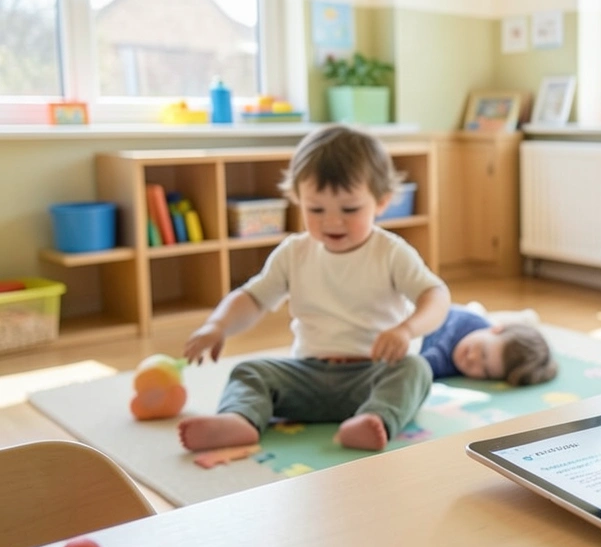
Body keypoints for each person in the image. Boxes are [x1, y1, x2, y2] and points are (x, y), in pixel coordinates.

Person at [178, 125, 450, 452]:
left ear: (382, 202)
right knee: (250, 370)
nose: (332, 222)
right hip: (307, 376)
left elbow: (435, 296)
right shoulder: (294, 253)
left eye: (350, 209)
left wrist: (406, 329)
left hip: (374, 375)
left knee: (415, 369)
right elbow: (252, 298)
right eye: (315, 209)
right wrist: (218, 325)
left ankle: (373, 420)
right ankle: (241, 419)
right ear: (297, 199)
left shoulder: (390, 252)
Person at [421, 304, 557, 386]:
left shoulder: (490, 340)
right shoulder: (438, 351)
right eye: (483, 351)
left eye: (486, 371)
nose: (472, 358)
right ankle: (522, 318)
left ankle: (522, 318)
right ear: (496, 329)